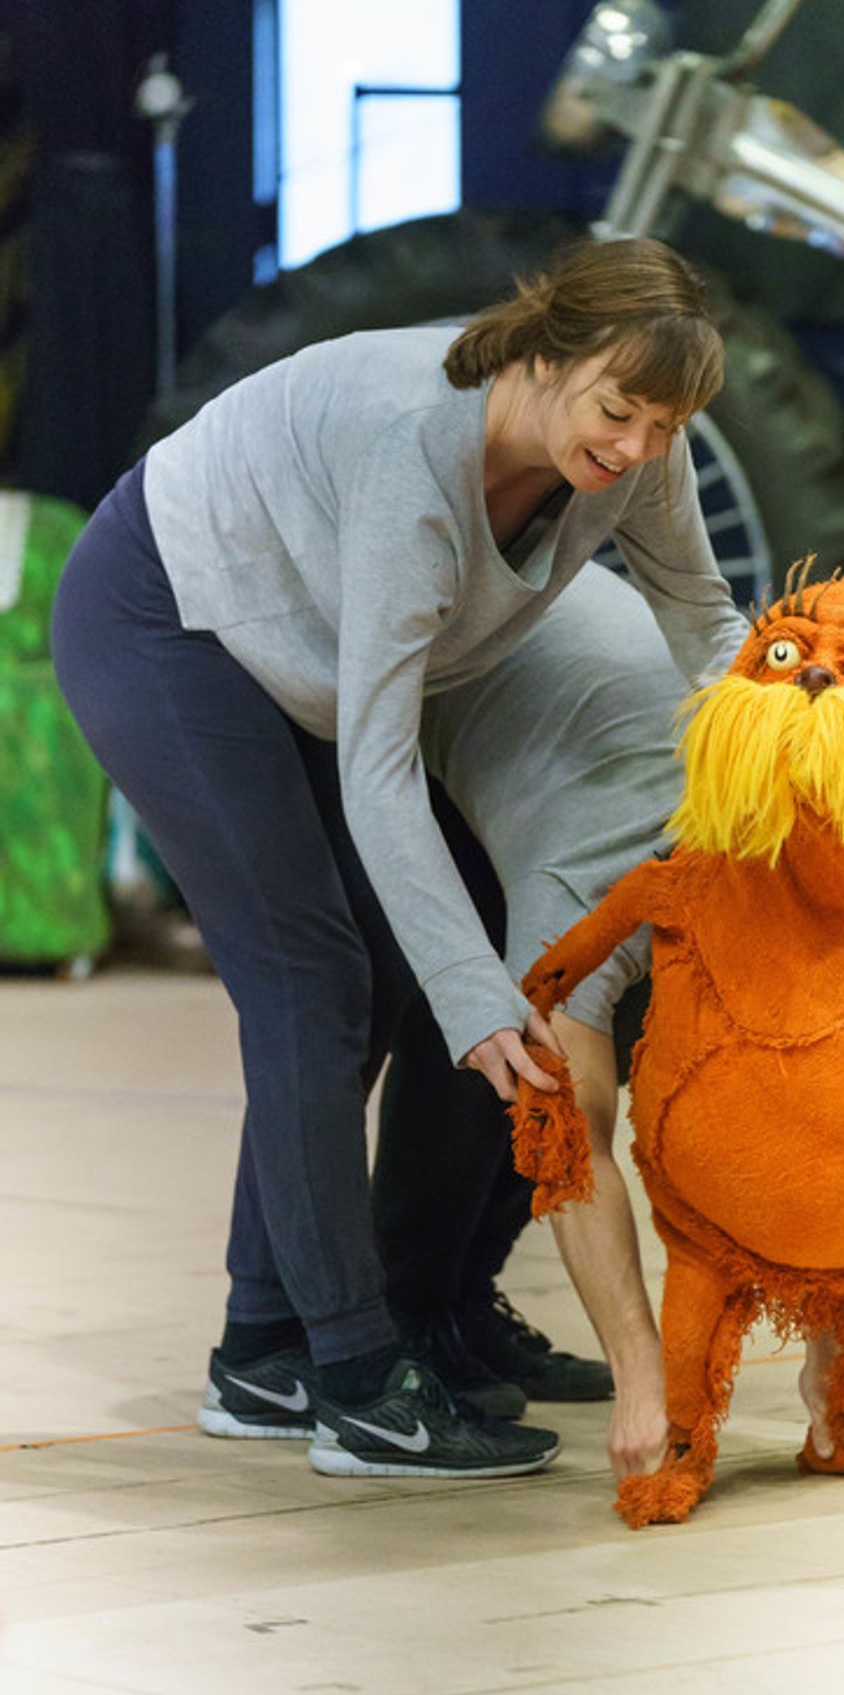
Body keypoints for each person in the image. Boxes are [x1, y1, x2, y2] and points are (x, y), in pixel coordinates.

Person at [52, 236, 747, 1481]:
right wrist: (477, 992)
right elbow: (380, 766)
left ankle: (265, 1352)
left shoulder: (634, 442)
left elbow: (701, 614)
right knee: (314, 984)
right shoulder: (409, 454)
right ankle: (360, 1382)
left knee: (384, 980)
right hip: (167, 614)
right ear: (540, 356)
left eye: (664, 423)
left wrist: (795, 742)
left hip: (298, 648)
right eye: (616, 413)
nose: (637, 448)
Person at [373, 559, 689, 1478]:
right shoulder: (584, 892)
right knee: (502, 1050)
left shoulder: (783, 844)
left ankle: (465, 1301)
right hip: (389, 670)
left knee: (649, 1047)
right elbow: (572, 1142)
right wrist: (644, 1377)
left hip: (545, 688)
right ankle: (404, 1317)